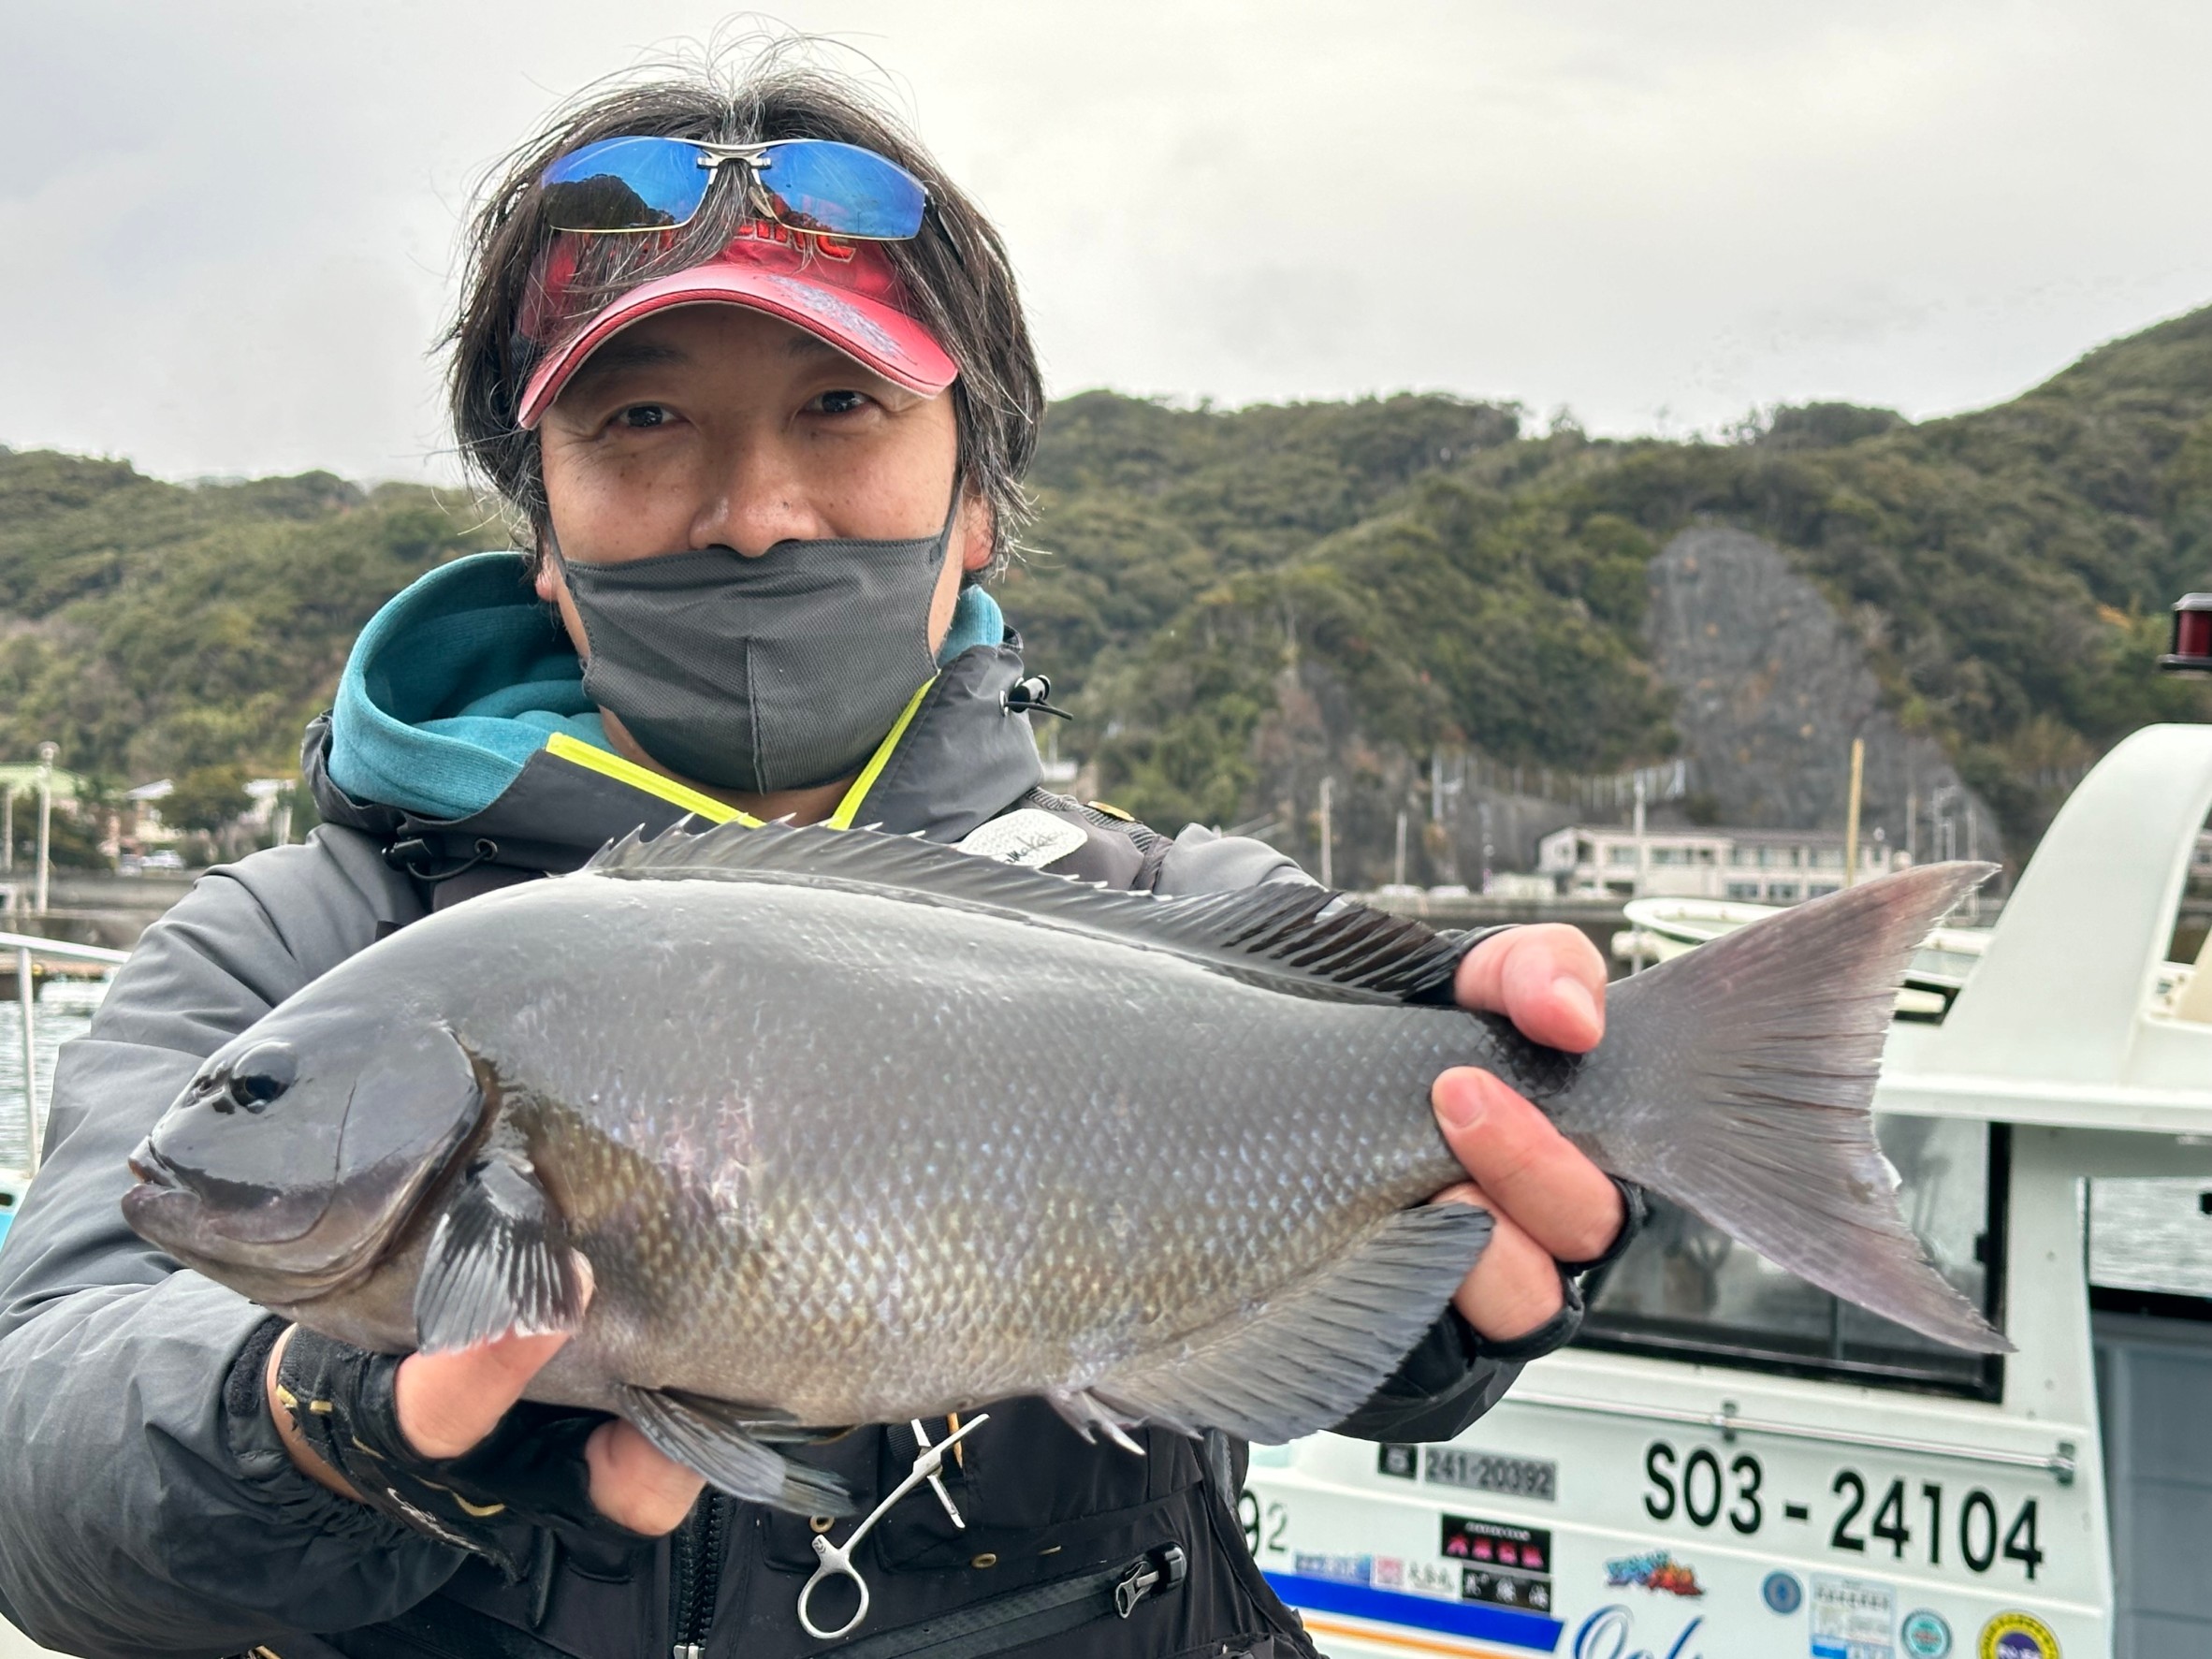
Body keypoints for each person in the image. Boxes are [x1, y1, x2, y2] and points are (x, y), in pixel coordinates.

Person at [0, 57, 1633, 1659]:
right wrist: (320, 1419)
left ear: (976, 499)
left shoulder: (1183, 921)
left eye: (841, 407)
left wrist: (1436, 1293)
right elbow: (43, 1454)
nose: (754, 510)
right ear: (543, 533)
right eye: (643, 420)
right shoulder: (284, 953)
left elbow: (1364, 1305)